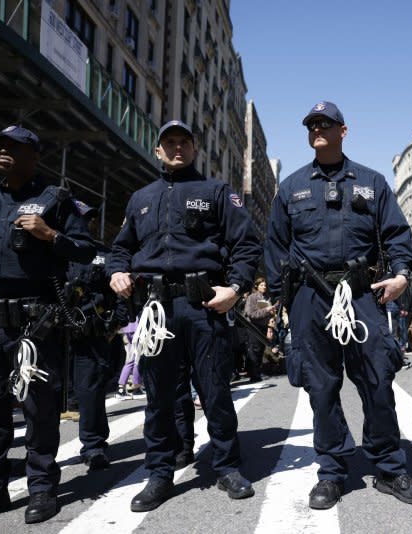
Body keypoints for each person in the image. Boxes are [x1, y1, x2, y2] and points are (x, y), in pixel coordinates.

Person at [265, 101, 412, 510]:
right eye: (311, 124)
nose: (317, 128)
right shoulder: (291, 187)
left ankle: (389, 468)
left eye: (325, 123)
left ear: (343, 130)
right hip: (309, 297)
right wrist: (278, 298)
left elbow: (396, 235)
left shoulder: (372, 183)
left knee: (376, 380)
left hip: (361, 294)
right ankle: (332, 471)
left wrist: (403, 275)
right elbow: (275, 245)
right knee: (321, 389)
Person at [0, 125, 95, 527]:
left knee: (39, 409)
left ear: (34, 156)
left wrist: (52, 236)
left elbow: (87, 253)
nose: (4, 152)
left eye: (15, 147)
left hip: (36, 322)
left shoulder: (58, 200)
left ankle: (43, 489)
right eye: (0, 146)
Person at [107, 119, 260, 511]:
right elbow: (120, 249)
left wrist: (236, 288)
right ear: (158, 150)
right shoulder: (141, 197)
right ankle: (159, 473)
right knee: (159, 397)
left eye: (183, 142)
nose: (176, 148)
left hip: (203, 306)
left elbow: (246, 244)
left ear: (194, 148)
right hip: (157, 310)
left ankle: (227, 466)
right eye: (169, 142)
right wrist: (117, 272)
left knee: (214, 391)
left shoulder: (216, 192)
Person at [67, 201, 124, 471]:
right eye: (80, 219)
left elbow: (122, 294)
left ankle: (93, 446)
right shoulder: (47, 251)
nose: (86, 224)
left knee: (90, 390)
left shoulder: (104, 255)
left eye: (89, 219)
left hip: (91, 332)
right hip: (52, 332)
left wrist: (115, 326)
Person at [242, 277, 275, 383]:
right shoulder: (252, 297)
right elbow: (251, 314)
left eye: (265, 285)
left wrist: (271, 323)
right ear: (256, 286)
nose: (264, 287)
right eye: (261, 285)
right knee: (254, 351)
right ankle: (254, 375)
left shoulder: (266, 297)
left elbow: (269, 314)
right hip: (253, 328)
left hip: (263, 327)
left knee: (260, 350)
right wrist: (267, 309)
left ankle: (257, 373)